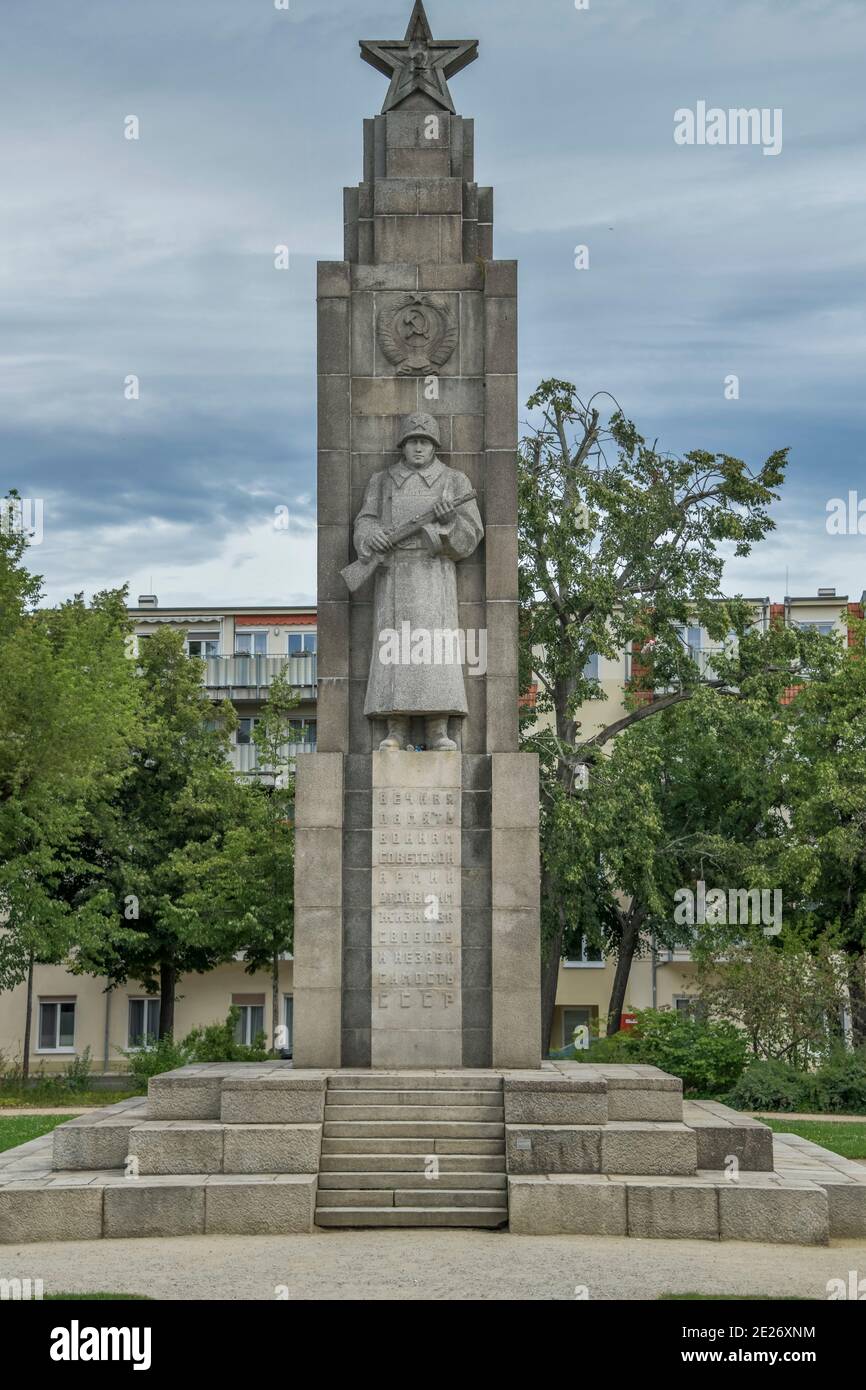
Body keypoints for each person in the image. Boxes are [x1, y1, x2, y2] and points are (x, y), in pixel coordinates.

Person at [353, 411, 484, 751]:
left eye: (425, 442)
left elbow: (472, 532)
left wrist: (448, 523)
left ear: (435, 445)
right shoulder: (382, 481)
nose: (419, 448)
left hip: (434, 575)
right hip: (393, 575)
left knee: (434, 653)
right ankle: (395, 729)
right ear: (403, 445)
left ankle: (436, 729)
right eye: (413, 441)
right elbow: (364, 522)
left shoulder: (454, 481)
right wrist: (375, 537)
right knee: (394, 654)